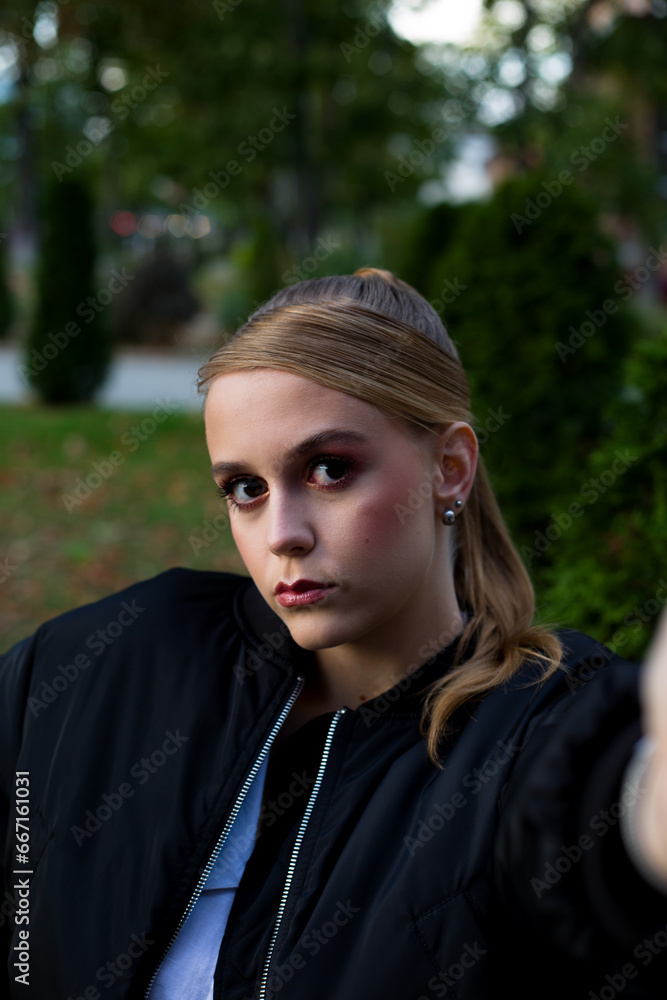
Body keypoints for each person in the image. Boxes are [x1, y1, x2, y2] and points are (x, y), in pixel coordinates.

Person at [1, 266, 666, 1000]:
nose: (280, 535)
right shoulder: (119, 657)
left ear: (449, 467)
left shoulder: (538, 729)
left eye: (327, 469)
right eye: (244, 489)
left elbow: (612, 825)